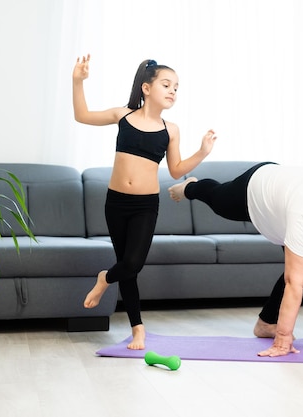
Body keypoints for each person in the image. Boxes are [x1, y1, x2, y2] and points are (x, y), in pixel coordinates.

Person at [168, 163, 303, 357]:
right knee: (219, 200)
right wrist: (283, 339)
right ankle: (191, 187)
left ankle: (266, 324)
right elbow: (294, 282)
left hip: (289, 200)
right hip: (259, 187)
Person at [72, 54, 217, 350]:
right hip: (116, 203)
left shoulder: (170, 130)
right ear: (147, 88)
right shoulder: (122, 116)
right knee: (128, 265)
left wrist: (202, 151)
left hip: (145, 206)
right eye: (167, 84)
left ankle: (104, 278)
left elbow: (176, 169)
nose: (173, 91)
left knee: (132, 263)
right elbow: (82, 115)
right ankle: (138, 328)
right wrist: (78, 81)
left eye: (177, 87)